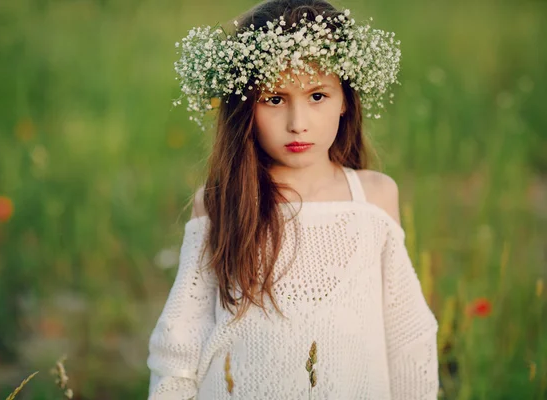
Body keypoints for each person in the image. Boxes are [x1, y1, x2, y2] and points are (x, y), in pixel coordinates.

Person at [147, 0, 439, 398]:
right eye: (274, 99)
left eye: (317, 96)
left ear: (345, 102)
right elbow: (179, 342)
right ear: (245, 107)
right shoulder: (220, 202)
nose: (298, 123)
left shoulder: (373, 199)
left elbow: (408, 337)